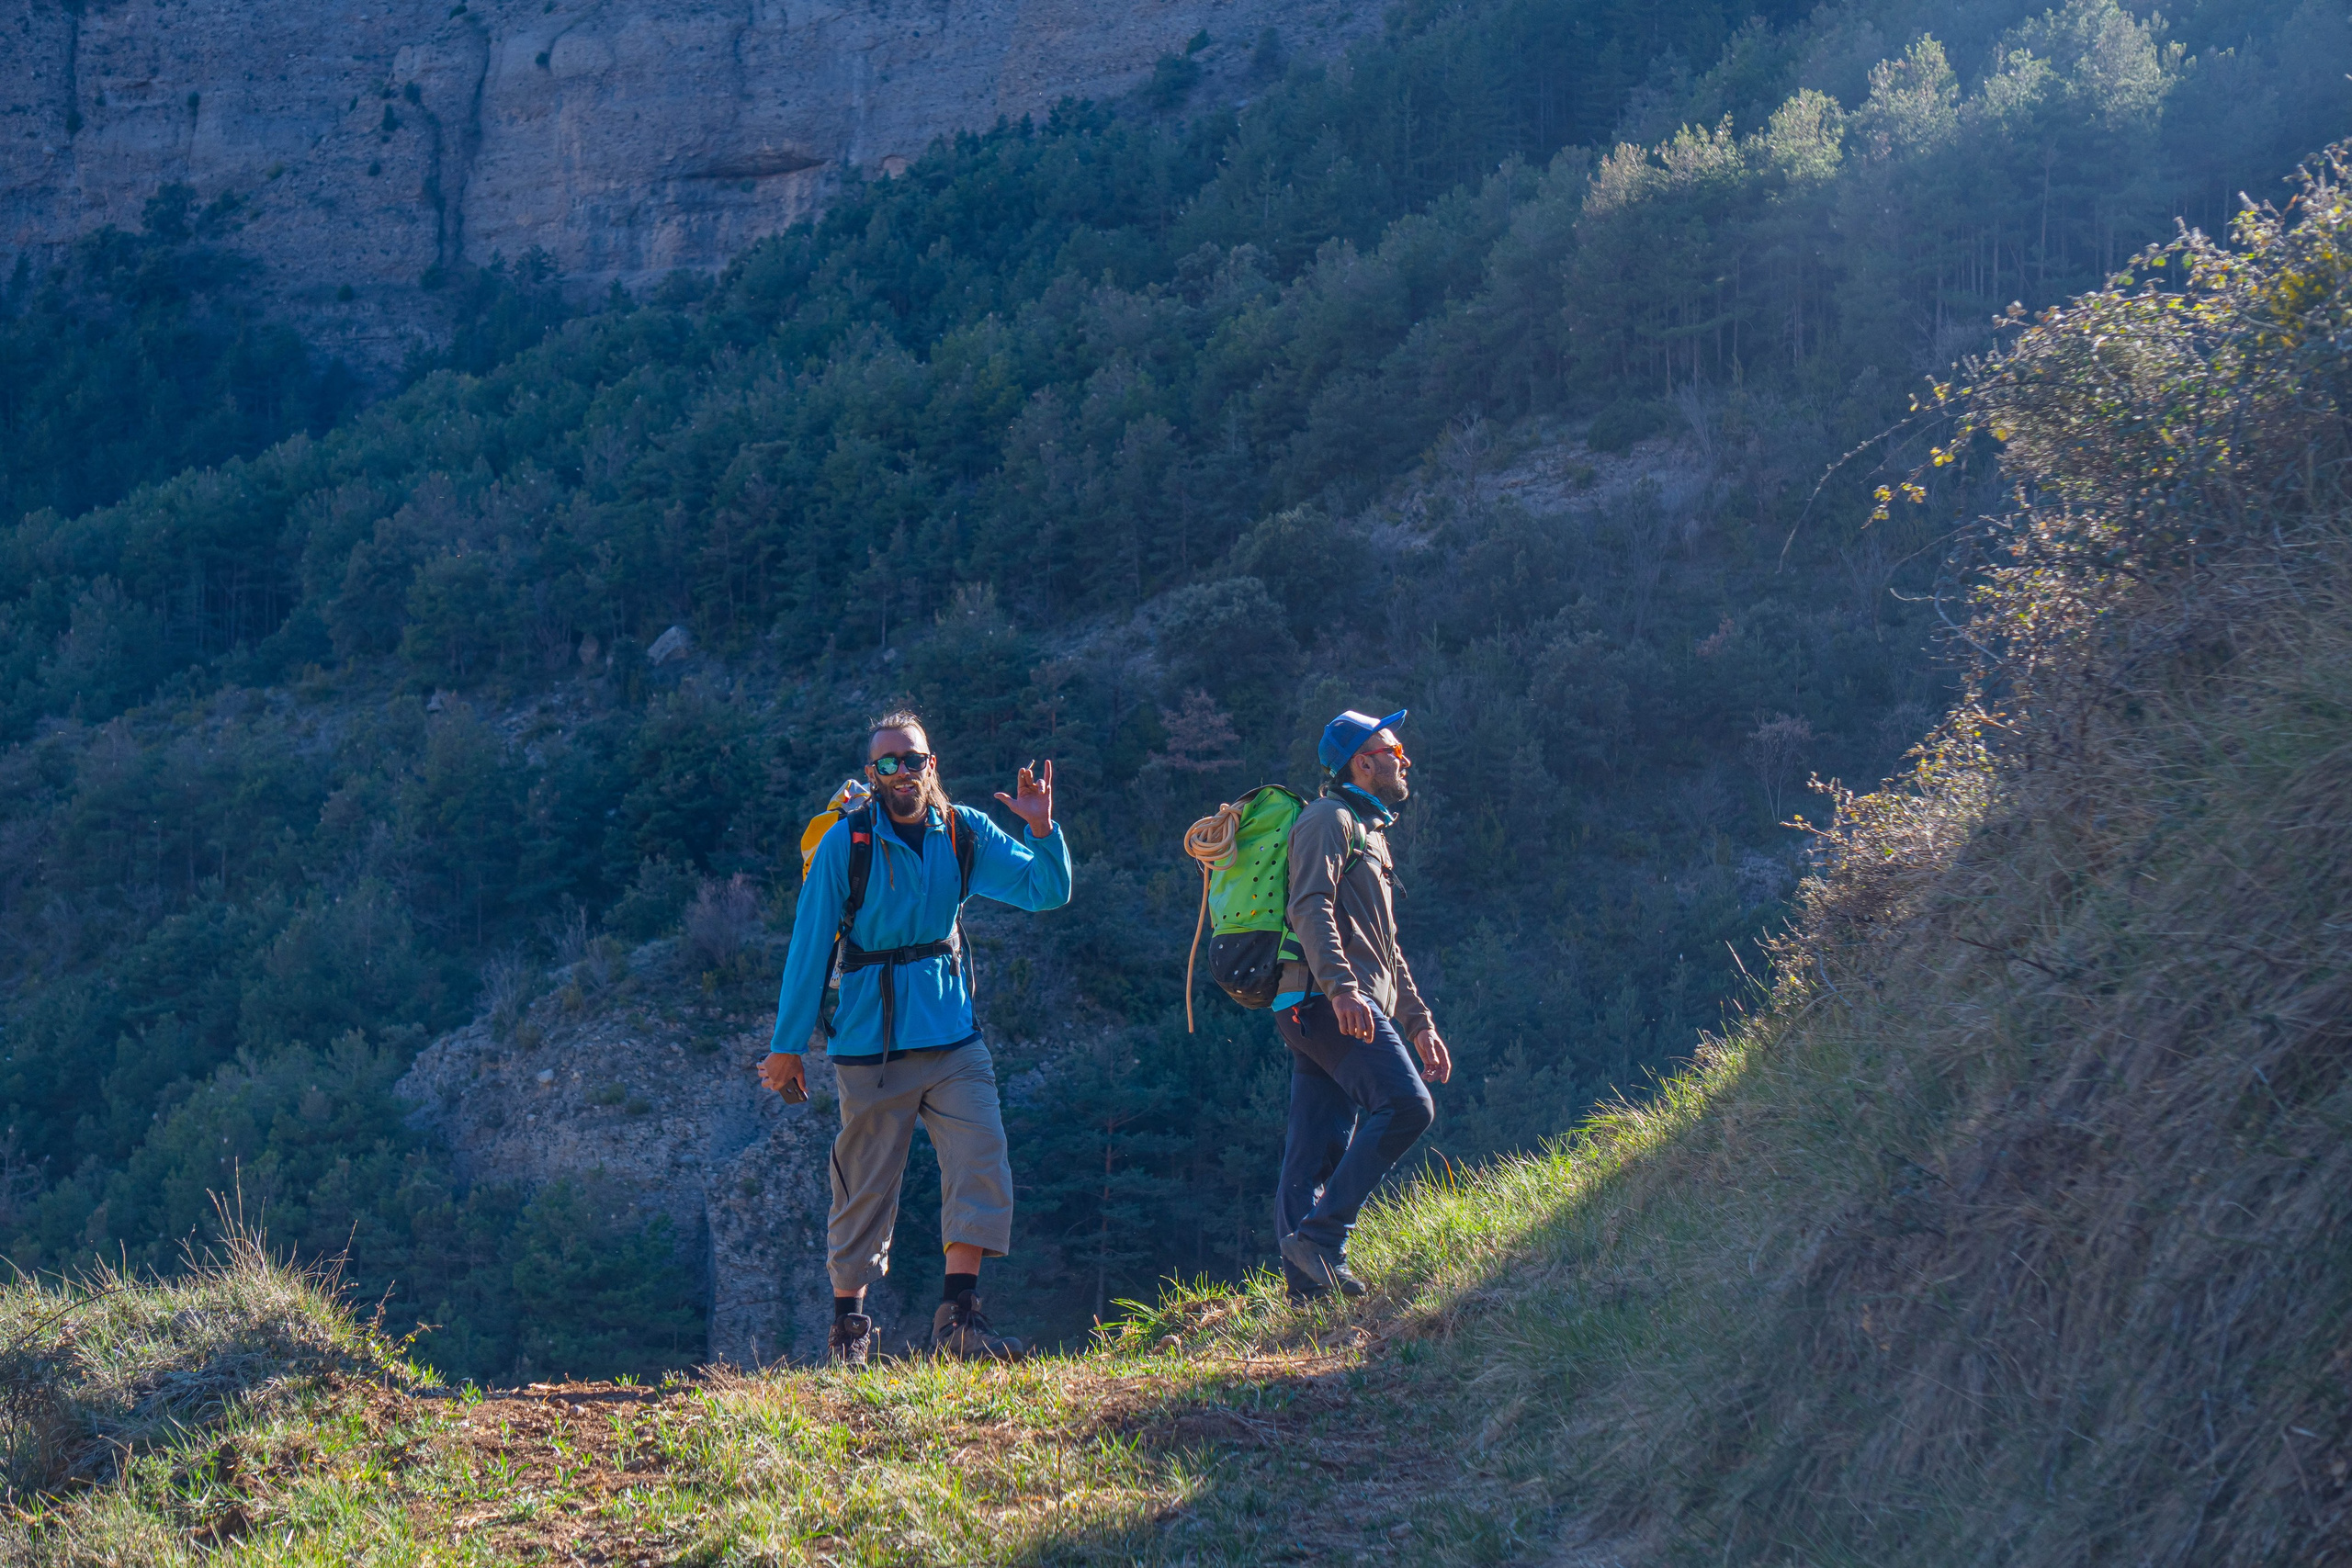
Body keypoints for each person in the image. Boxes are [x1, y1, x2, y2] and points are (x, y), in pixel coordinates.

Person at [761, 711, 1070, 1367]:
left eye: (913, 758)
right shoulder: (849, 845)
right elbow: (810, 947)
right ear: (873, 775)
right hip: (871, 1045)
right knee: (865, 1186)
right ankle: (849, 1332)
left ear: (933, 763)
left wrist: (1042, 827)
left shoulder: (962, 832)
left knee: (981, 1155)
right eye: (888, 762)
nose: (903, 771)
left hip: (954, 1035)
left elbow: (1048, 889)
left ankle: (960, 1317)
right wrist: (788, 1047)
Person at [1272, 707, 1452, 1299]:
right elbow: (1309, 905)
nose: (1405, 760)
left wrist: (1419, 1022)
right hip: (1327, 997)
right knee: (1406, 1106)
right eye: (1393, 750)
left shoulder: (1367, 831)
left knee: (1318, 1145)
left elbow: (1386, 945)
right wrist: (1343, 988)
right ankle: (1322, 1241)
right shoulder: (1327, 818)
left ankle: (1306, 1285)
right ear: (1362, 761)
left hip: (1328, 998)